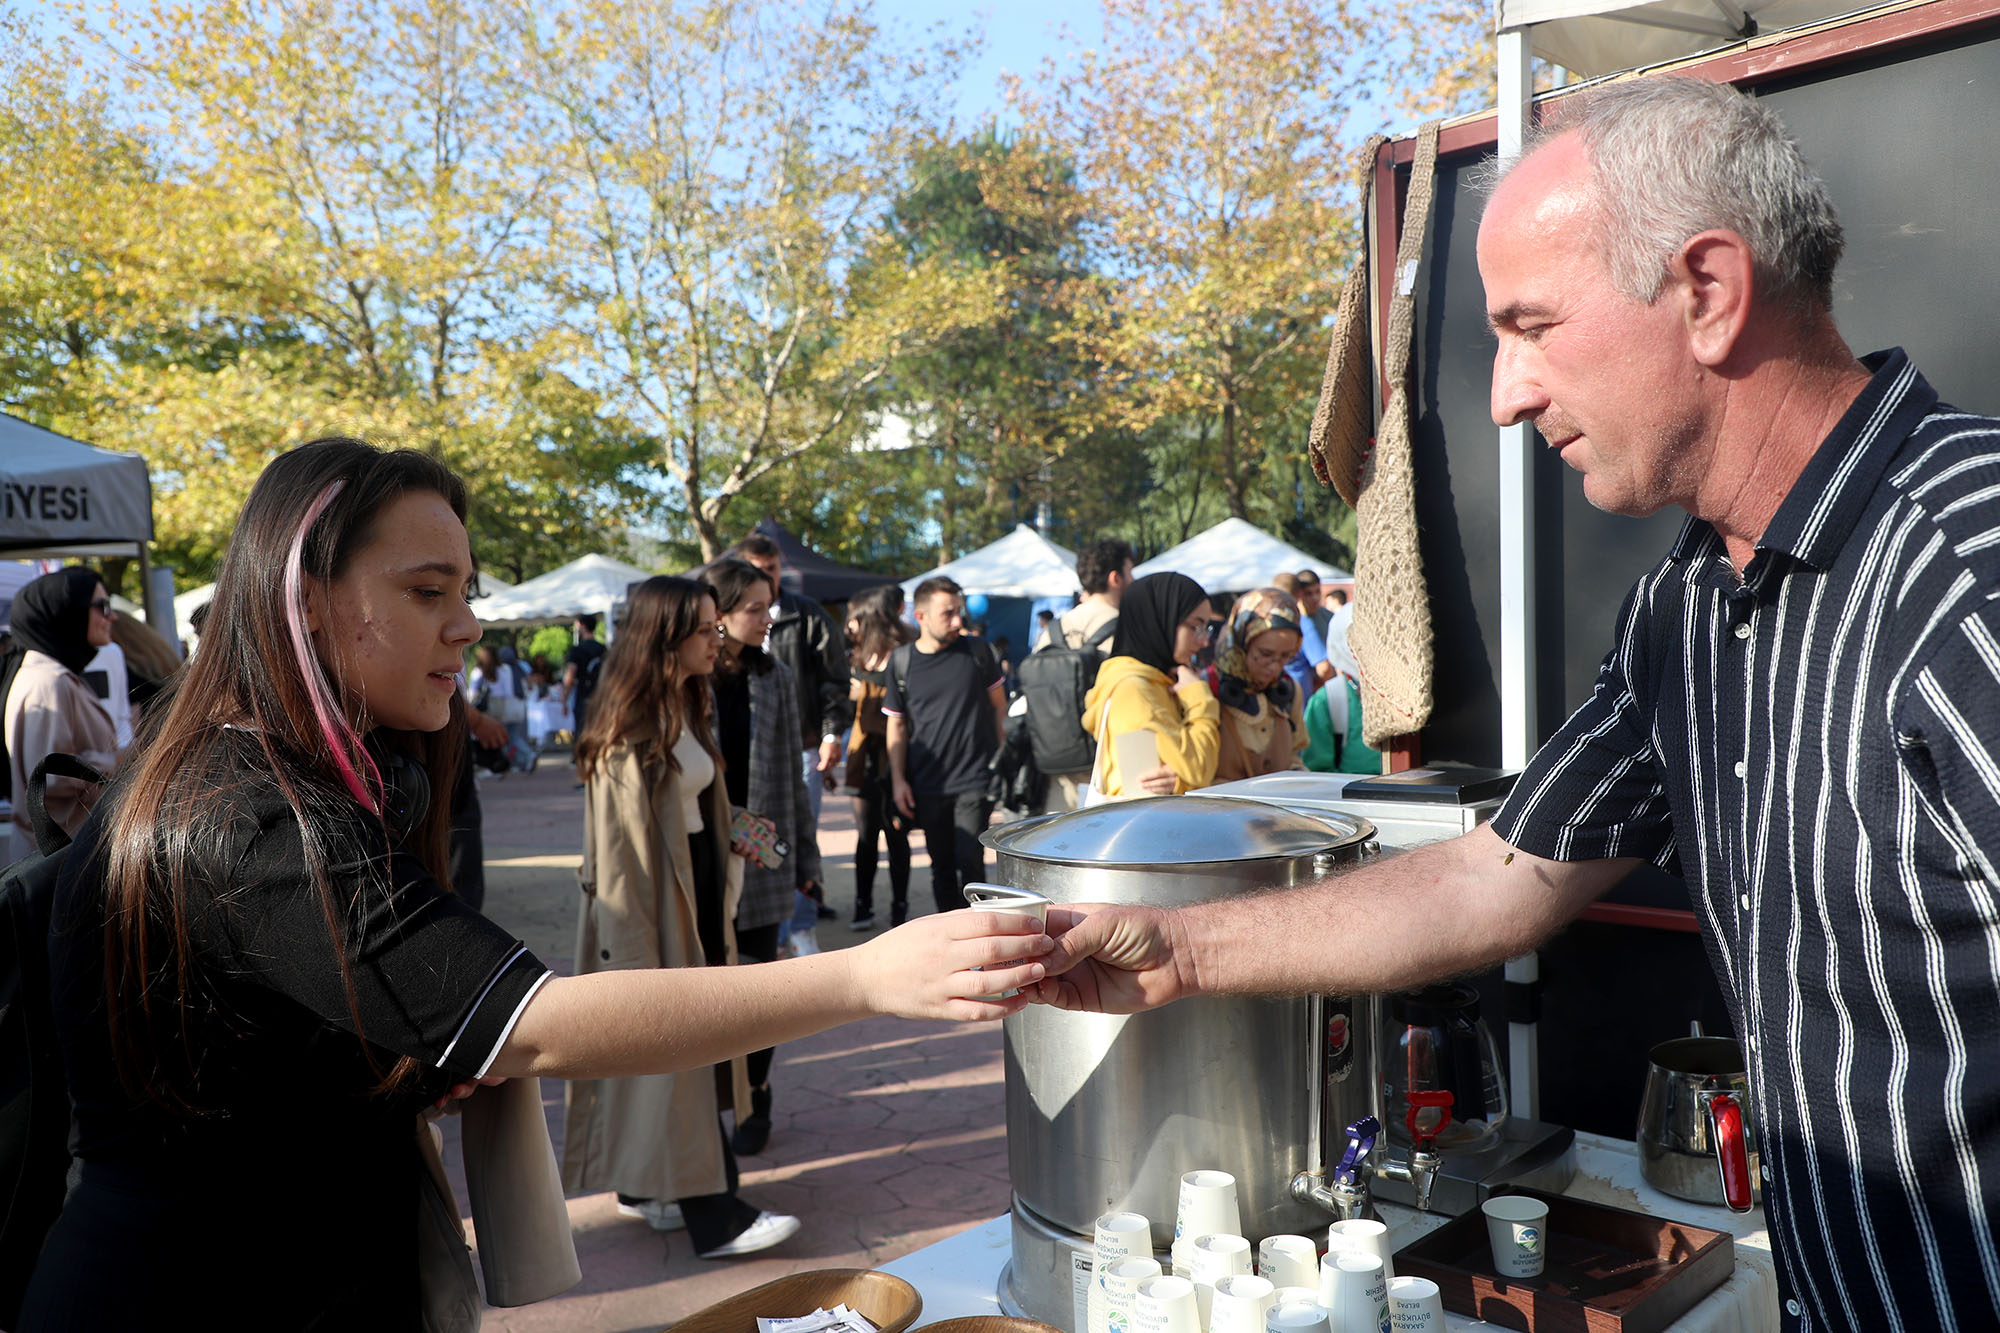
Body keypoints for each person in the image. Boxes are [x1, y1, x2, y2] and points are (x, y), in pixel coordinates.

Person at [1033, 76, 2000, 1331]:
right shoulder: (1683, 609)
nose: (1502, 394)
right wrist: (1175, 952)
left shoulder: (1970, 568)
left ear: (1705, 293)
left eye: (1530, 326)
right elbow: (1494, 875)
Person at [20, 439, 1052, 1326]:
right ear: (306, 601)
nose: (464, 624)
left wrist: (414, 1066)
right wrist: (866, 977)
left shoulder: (270, 776)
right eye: (427, 592)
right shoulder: (244, 810)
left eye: (463, 592)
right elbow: (540, 1024)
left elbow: (264, 1057)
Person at [564, 573, 796, 1255]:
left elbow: (699, 812)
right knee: (679, 1051)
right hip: (655, 915)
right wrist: (636, 967)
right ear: (665, 638)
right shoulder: (627, 734)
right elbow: (619, 865)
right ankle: (713, 1214)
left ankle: (648, 1187)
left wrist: (754, 837)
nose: (715, 636)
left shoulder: (684, 703)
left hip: (694, 898)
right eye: (704, 627)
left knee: (682, 1057)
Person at [702, 557, 824, 1155]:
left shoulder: (776, 677)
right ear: (718, 615)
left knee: (759, 986)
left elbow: (796, 779)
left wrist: (807, 862)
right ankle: (707, 1106)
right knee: (704, 987)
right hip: (700, 858)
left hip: (762, 857)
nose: (768, 617)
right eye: (754, 607)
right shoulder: (688, 677)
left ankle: (755, 1093)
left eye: (769, 604)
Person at [884, 577, 1006, 916]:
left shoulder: (978, 651)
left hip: (974, 778)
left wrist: (1003, 761)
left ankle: (984, 939)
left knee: (970, 860)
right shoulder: (902, 661)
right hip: (927, 782)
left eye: (960, 612)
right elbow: (896, 723)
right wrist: (898, 781)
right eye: (947, 614)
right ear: (920, 616)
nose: (957, 621)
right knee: (941, 867)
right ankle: (952, 938)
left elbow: (1000, 706)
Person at [728, 533, 851, 824]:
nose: (768, 576)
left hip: (800, 743)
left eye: (773, 568)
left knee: (799, 829)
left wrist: (831, 734)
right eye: (759, 569)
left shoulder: (808, 615)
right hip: (740, 746)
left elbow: (835, 679)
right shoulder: (724, 622)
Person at [3, 568, 123, 864]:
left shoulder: (55, 675)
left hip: (62, 852)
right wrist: (119, 761)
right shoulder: (49, 681)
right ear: (66, 612)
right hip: (59, 859)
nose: (112, 617)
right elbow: (49, 775)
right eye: (102, 607)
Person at [1077, 572, 1220, 799]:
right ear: (1160, 619)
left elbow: (1187, 774)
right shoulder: (1134, 690)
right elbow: (1199, 768)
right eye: (1196, 626)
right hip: (1140, 827)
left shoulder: (1161, 681)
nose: (1204, 641)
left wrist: (1181, 781)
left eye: (1207, 629)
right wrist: (1200, 697)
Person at [843, 585, 914, 931]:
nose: (849, 624)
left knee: (896, 833)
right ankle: (863, 904)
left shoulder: (905, 652)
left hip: (897, 757)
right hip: (865, 759)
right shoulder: (855, 656)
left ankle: (899, 907)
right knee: (866, 834)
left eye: (855, 616)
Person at [1203, 588, 1309, 784]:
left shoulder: (1290, 690)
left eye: (1286, 656)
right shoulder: (1205, 689)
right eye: (1265, 654)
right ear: (1241, 641)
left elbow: (1295, 755)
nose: (1275, 666)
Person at [560, 611, 607, 739]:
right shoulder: (602, 648)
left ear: (583, 626)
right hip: (601, 696)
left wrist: (564, 700)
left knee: (582, 735)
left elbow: (570, 675)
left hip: (584, 696)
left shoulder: (578, 650)